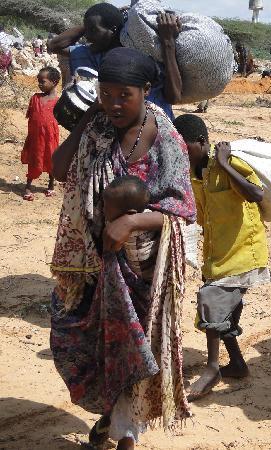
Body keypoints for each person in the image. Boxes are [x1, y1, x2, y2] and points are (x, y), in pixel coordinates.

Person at [49, 48, 195, 450]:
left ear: (145, 92)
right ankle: (109, 418)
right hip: (89, 261)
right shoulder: (96, 126)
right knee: (70, 340)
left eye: (122, 96)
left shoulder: (165, 137)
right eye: (105, 93)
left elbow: (182, 210)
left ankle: (126, 438)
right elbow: (59, 170)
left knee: (131, 349)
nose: (112, 103)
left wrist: (131, 220)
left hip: (141, 266)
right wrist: (80, 125)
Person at [172, 114, 269, 400]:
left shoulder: (229, 164)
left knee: (211, 301)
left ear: (202, 142)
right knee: (224, 313)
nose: (181, 153)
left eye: (185, 147)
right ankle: (237, 365)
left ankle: (212, 368)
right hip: (217, 256)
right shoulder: (194, 176)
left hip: (243, 252)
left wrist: (225, 165)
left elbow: (256, 195)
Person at [47, 2, 183, 120]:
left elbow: (174, 97)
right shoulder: (92, 53)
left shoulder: (143, 54)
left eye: (93, 30)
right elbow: (54, 45)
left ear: (113, 30)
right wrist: (91, 22)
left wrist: (168, 42)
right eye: (86, 30)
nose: (87, 36)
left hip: (153, 133)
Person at [102, 175, 158, 283]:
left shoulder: (125, 232)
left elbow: (113, 249)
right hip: (153, 269)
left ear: (130, 213)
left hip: (142, 274)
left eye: (106, 207)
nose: (103, 210)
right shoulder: (148, 217)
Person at [21, 67, 61, 201]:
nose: (39, 84)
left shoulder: (58, 102)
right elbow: (31, 117)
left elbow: (60, 120)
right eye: (38, 81)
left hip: (50, 137)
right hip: (36, 137)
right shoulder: (35, 98)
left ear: (54, 82)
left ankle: (50, 185)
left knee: (51, 159)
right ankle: (28, 186)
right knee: (34, 158)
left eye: (42, 81)